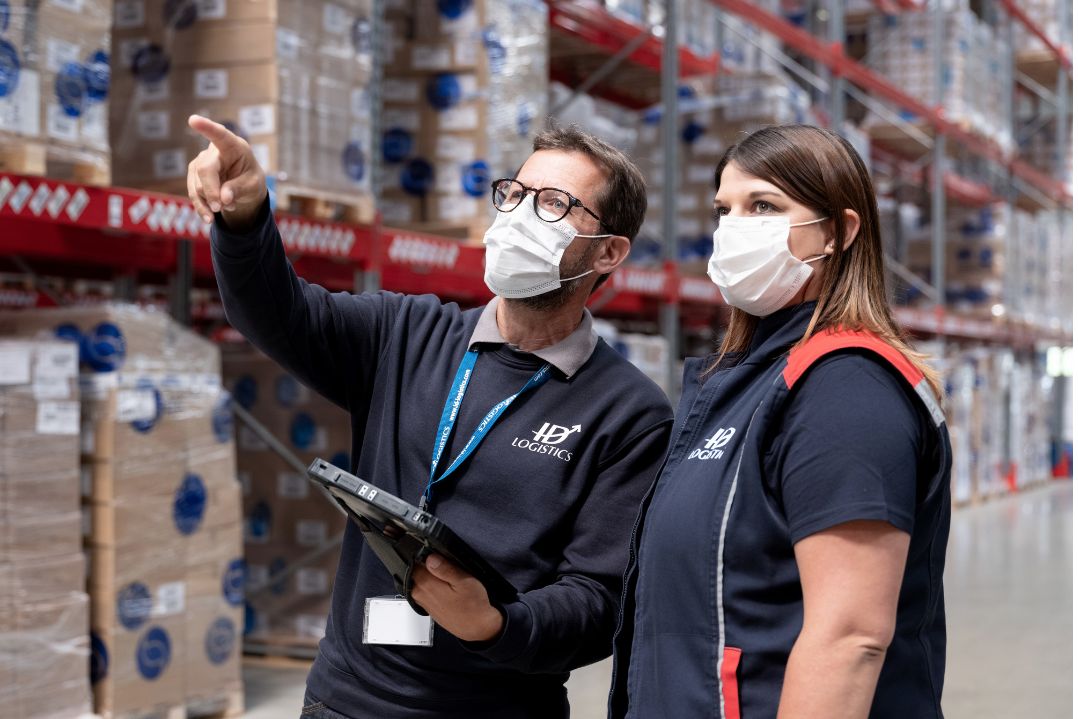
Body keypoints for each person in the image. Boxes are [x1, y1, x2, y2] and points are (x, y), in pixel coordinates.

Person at [186, 115, 673, 719]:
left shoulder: (630, 413)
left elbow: (600, 601)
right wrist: (246, 217)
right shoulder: (406, 332)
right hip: (344, 702)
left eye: (553, 204)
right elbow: (274, 311)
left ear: (609, 252)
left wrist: (495, 624)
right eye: (514, 195)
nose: (520, 215)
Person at [609, 124, 951, 719]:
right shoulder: (748, 380)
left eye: (763, 205)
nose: (735, 227)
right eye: (725, 209)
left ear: (840, 232)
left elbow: (850, 637)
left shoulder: (845, 388)